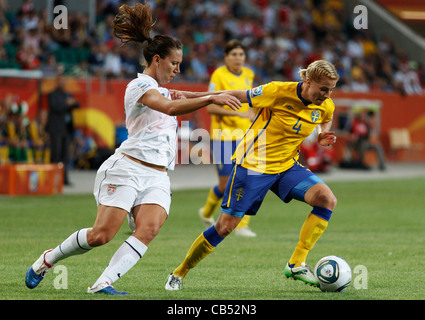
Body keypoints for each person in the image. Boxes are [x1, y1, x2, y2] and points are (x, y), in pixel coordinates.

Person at [25, 3, 241, 296]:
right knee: (101, 235)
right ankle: (47, 260)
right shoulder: (139, 86)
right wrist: (214, 96)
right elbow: (171, 106)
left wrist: (224, 97)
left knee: (149, 229)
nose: (178, 69)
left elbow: (182, 95)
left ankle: (102, 283)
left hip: (158, 176)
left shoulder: (162, 87)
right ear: (156, 59)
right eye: (174, 63)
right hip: (128, 168)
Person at [165, 59, 339, 290]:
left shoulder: (326, 104)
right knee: (225, 227)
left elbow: (324, 119)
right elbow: (234, 94)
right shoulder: (277, 91)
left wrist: (321, 134)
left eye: (330, 90)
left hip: (286, 166)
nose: (327, 95)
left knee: (326, 199)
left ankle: (296, 263)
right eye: (323, 89)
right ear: (308, 81)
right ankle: (179, 272)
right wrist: (187, 95)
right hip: (253, 166)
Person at [198, 39, 257, 237]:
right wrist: (239, 114)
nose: (238, 58)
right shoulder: (219, 75)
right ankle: (206, 212)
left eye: (241, 54)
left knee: (250, 179)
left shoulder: (249, 74)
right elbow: (210, 105)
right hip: (223, 137)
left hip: (246, 135)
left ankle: (242, 225)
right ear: (226, 57)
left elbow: (251, 103)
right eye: (233, 55)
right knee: (225, 185)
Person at [46, 73, 80, 185]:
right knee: (56, 154)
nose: (62, 82)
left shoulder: (67, 94)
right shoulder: (52, 94)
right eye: (60, 80)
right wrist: (67, 103)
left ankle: (64, 179)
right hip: (56, 129)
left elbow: (77, 105)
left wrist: (72, 102)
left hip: (66, 129)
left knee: (66, 155)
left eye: (64, 80)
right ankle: (52, 179)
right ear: (57, 81)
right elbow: (56, 107)